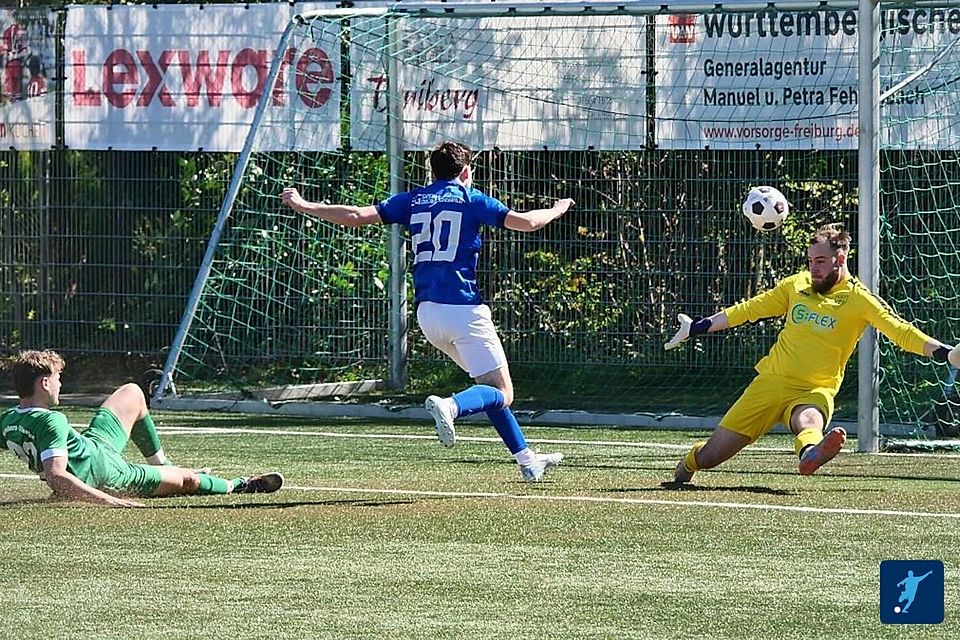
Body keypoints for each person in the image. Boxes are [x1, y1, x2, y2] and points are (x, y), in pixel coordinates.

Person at [281, 141, 574, 481]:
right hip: (462, 309)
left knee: (488, 387)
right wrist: (556, 208)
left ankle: (527, 460)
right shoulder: (470, 198)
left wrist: (303, 204)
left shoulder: (414, 199)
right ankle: (450, 406)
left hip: (427, 315)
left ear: (431, 171)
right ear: (466, 171)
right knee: (503, 392)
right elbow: (526, 223)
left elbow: (356, 217)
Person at [664, 223, 959, 485]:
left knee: (809, 419)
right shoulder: (797, 285)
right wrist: (697, 328)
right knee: (711, 457)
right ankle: (688, 464)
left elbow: (901, 332)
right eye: (810, 261)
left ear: (840, 259)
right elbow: (749, 310)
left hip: (815, 389)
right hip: (770, 383)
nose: (813, 268)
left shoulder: (859, 299)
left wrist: (946, 353)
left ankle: (811, 455)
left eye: (820, 261)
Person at [1, 350, 284, 507]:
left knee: (133, 392)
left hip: (96, 446)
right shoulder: (52, 419)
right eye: (57, 378)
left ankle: (163, 465)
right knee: (188, 482)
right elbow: (56, 476)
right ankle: (241, 485)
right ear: (44, 383)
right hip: (109, 474)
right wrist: (110, 500)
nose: (60, 384)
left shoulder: (8, 419)